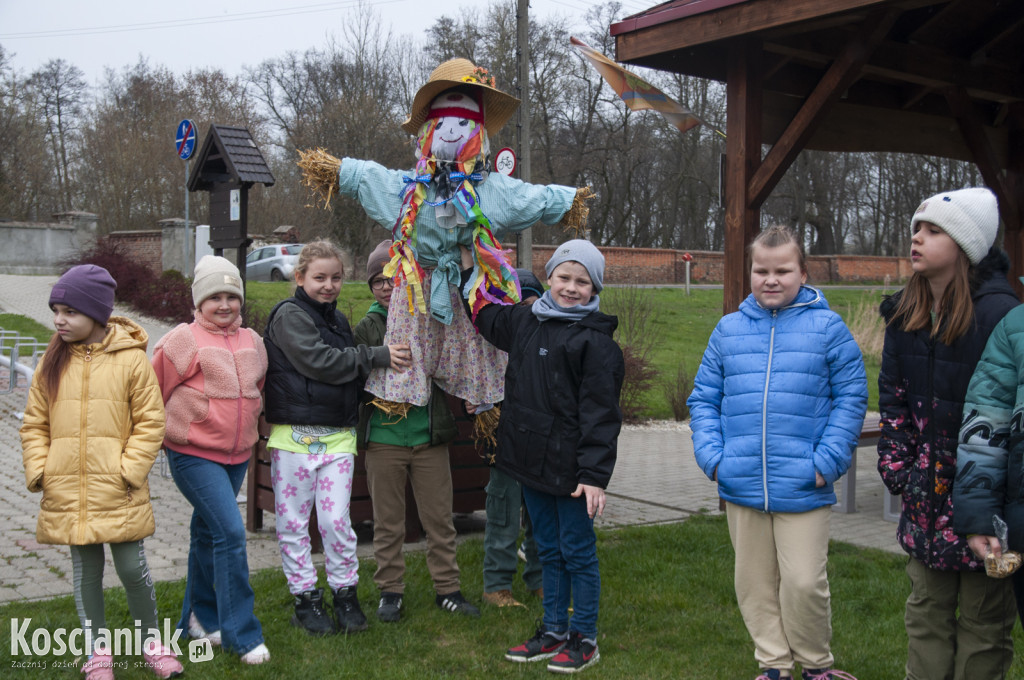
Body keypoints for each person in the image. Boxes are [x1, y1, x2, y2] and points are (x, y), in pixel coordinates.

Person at [298, 58, 592, 414]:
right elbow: (372, 178)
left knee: (483, 348)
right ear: (428, 132)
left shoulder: (490, 189)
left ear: (478, 133)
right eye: (443, 124)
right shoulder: (409, 188)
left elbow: (528, 197)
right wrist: (337, 171)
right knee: (407, 351)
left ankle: (488, 413)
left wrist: (568, 201)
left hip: (471, 287)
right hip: (416, 289)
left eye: (463, 123)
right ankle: (399, 412)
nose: (452, 132)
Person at [688, 225, 867, 680]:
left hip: (804, 482)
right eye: (761, 270)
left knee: (805, 583)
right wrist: (713, 457)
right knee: (753, 585)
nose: (771, 279)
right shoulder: (728, 330)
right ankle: (774, 665)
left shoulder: (828, 328)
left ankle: (815, 665)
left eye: (783, 270)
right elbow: (703, 398)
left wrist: (827, 461)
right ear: (750, 272)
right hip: (741, 481)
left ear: (803, 273)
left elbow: (851, 398)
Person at [877, 187, 1018, 679]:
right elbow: (893, 398)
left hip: (990, 505)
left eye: (934, 231)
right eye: (917, 227)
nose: (917, 238)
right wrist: (899, 468)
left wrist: (992, 505)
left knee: (985, 624)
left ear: (966, 245)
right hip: (925, 498)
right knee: (926, 614)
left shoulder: (1002, 318)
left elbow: (1008, 424)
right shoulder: (902, 314)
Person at [466, 240, 624, 674]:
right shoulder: (524, 320)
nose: (571, 288)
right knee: (549, 550)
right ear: (548, 276)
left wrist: (594, 475)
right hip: (526, 461)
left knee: (577, 551)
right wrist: (468, 262)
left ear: (595, 289)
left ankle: (584, 637)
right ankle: (553, 629)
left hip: (572, 471)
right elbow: (482, 315)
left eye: (582, 282)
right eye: (564, 277)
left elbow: (601, 417)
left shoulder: (597, 345)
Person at [20, 265, 183, 679]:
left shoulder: (131, 361)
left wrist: (128, 471)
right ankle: (97, 652)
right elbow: (34, 423)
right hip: (68, 491)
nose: (59, 319)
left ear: (96, 313)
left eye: (70, 311)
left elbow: (151, 422)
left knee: (131, 568)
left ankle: (152, 643)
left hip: (118, 488)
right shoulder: (50, 361)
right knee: (86, 570)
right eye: (56, 309)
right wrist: (41, 470)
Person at [263, 240, 411, 636]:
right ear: (300, 278)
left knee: (335, 522)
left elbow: (349, 374)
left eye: (336, 278)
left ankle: (345, 595)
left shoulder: (338, 320)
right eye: (319, 278)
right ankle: (305, 600)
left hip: (338, 438)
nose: (328, 285)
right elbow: (319, 362)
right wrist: (376, 355)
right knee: (294, 525)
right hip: (294, 438)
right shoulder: (289, 316)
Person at [152, 255, 270, 665]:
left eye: (231, 296)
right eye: (214, 297)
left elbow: (258, 390)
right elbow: (151, 394)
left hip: (237, 455)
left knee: (207, 533)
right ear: (198, 304)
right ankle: (241, 634)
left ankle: (197, 619)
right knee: (231, 534)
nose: (224, 305)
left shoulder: (254, 341)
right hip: (191, 453)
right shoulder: (181, 340)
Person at [354, 239, 480, 622]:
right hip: (383, 441)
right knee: (388, 524)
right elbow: (355, 372)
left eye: (392, 278)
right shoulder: (368, 326)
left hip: (427, 439)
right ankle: (390, 592)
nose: (385, 286)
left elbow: (451, 357)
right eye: (378, 281)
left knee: (439, 520)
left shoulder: (428, 316)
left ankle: (448, 589)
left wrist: (473, 389)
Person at [478, 268, 544, 608]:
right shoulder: (494, 340)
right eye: (517, 302)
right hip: (505, 438)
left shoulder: (547, 337)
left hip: (541, 440)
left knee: (540, 514)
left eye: (531, 300)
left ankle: (540, 579)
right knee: (503, 510)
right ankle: (497, 585)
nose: (525, 308)